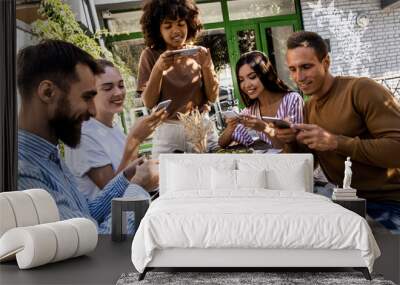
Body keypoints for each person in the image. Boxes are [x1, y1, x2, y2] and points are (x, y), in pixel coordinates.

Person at [17, 40, 159, 234]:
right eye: (86, 97)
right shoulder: (23, 171)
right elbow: (98, 244)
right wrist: (138, 187)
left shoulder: (49, 155)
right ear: (48, 92)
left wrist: (127, 177)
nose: (93, 111)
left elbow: (86, 214)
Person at [284, 31, 400, 233]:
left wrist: (336, 142)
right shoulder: (309, 107)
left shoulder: (361, 89)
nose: (299, 77)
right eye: (292, 69)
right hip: (348, 201)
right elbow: (311, 163)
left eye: (306, 67)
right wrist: (289, 140)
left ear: (326, 62)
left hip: (389, 203)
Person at [64, 59, 166, 201]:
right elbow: (113, 196)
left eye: (121, 85)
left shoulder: (113, 126)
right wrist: (135, 139)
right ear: (89, 93)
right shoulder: (84, 136)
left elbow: (133, 173)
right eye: (107, 88)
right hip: (109, 220)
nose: (118, 92)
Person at [137, 0, 219, 156]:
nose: (176, 30)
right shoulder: (150, 55)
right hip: (168, 130)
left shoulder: (199, 53)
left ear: (189, 24)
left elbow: (213, 97)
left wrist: (207, 66)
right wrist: (158, 69)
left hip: (199, 125)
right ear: (157, 29)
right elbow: (148, 102)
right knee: (166, 178)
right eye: (168, 26)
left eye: (181, 24)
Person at [218, 51, 304, 150]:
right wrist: (230, 127)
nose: (246, 85)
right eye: (241, 80)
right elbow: (221, 143)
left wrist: (264, 128)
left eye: (252, 77)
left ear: (266, 74)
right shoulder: (252, 109)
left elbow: (295, 149)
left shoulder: (292, 100)